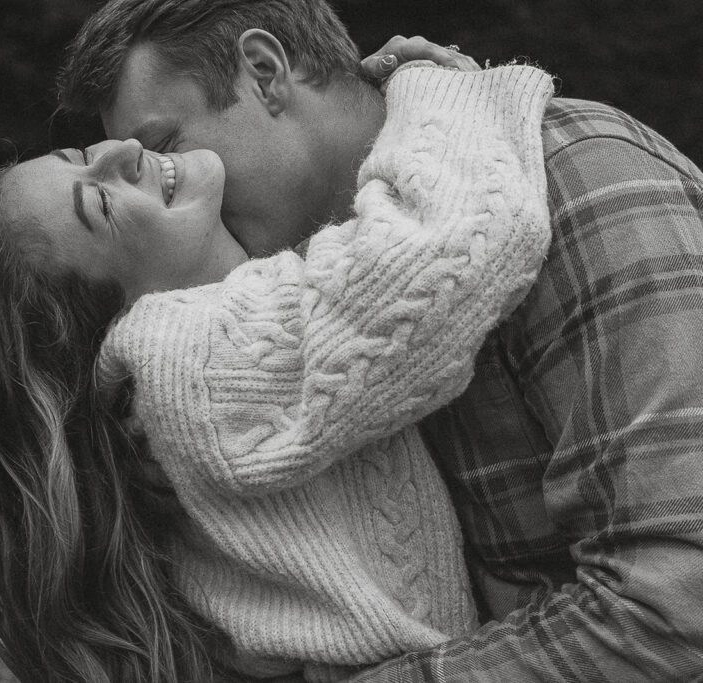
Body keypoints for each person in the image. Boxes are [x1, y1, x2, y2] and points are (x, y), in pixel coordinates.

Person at [55, 0, 703, 680]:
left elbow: (673, 609)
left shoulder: (576, 180)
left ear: (264, 71)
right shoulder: (326, 304)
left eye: (165, 148)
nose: (180, 187)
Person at [0, 62, 553, 682]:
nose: (122, 153)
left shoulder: (185, 368)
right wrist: (439, 85)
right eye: (103, 207)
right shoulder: (187, 358)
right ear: (116, 314)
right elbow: (453, 251)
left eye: (80, 153)